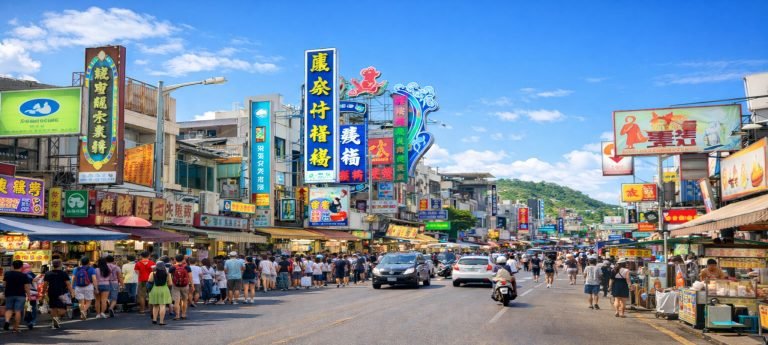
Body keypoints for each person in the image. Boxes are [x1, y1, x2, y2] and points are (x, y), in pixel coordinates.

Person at [42, 259, 75, 329]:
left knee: (54, 308)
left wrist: (43, 293)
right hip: (62, 293)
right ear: (60, 265)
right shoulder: (64, 273)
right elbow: (68, 284)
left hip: (51, 292)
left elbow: (45, 285)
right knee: (63, 308)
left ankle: (55, 320)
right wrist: (72, 292)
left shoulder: (48, 273)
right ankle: (55, 320)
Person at [3, 260, 31, 333]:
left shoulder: (7, 274)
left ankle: (7, 321)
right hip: (20, 295)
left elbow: (4, 284)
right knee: (17, 311)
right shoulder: (24, 275)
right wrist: (29, 295)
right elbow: (27, 287)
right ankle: (16, 328)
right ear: (21, 267)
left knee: (8, 309)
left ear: (13, 266)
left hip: (9, 294)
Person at [148, 261, 172, 325]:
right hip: (164, 289)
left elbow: (150, 281)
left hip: (155, 289)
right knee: (162, 305)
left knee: (155, 305)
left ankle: (154, 320)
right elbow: (170, 283)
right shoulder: (167, 274)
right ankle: (161, 321)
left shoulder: (152, 273)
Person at [169, 255, 192, 320]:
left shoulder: (172, 267)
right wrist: (192, 285)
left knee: (176, 301)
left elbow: (169, 277)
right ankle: (183, 314)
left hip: (175, 285)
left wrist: (171, 284)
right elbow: (190, 277)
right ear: (183, 260)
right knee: (184, 300)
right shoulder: (187, 267)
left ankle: (177, 315)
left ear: (175, 260)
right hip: (185, 285)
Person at [23, 263, 43, 329]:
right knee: (32, 307)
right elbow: (35, 280)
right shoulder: (30, 273)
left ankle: (29, 321)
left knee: (28, 307)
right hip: (33, 293)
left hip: (26, 293)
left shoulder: (24, 273)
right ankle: (32, 321)